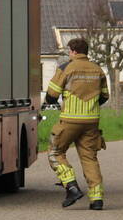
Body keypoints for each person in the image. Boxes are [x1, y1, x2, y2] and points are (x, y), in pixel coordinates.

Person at [43, 37, 110, 210]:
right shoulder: (97, 69)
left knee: (55, 152)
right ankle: (97, 200)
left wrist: (57, 101)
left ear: (72, 51)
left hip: (70, 120)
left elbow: (51, 94)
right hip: (91, 121)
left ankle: (71, 186)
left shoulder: (66, 67)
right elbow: (104, 96)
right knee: (89, 157)